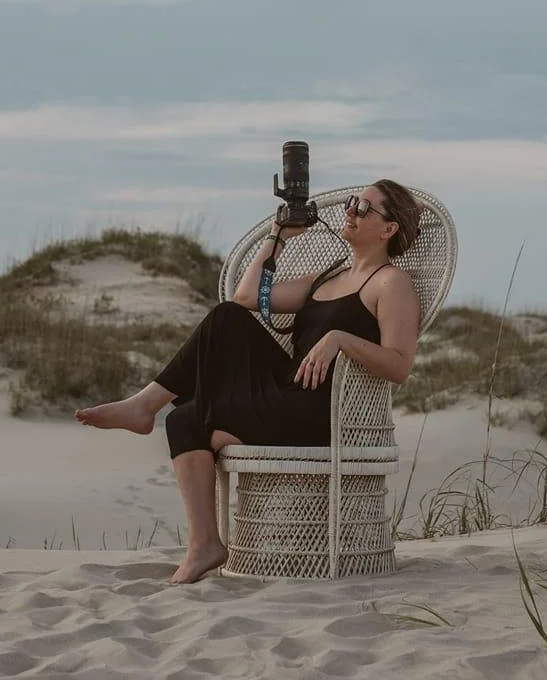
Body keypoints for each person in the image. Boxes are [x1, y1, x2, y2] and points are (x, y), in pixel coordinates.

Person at [74, 179, 422, 583]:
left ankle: (145, 406)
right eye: (350, 203)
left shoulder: (391, 284)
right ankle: (205, 544)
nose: (350, 211)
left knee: (192, 417)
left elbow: (399, 366)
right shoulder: (326, 277)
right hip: (286, 394)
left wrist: (340, 339)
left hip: (324, 414)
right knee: (206, 365)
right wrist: (278, 236)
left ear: (388, 229)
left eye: (363, 208)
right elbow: (246, 297)